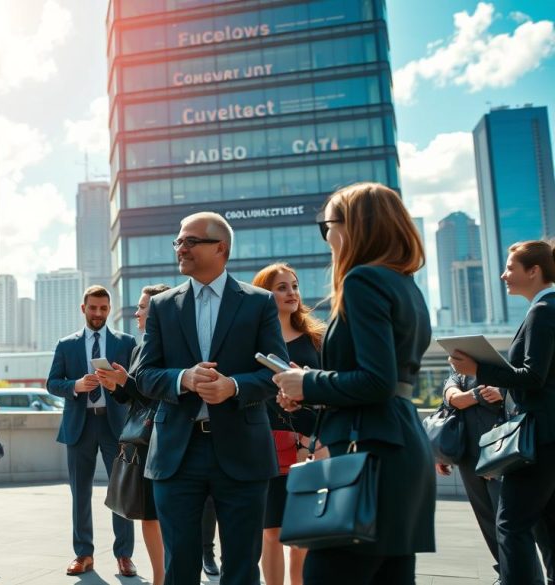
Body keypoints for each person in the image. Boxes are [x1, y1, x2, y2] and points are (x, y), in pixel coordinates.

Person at [274, 182, 434, 585]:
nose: (326, 235)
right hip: (399, 447)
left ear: (353, 226)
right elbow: (384, 381)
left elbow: (376, 380)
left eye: (326, 225)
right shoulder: (405, 284)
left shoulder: (363, 280)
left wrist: (307, 382)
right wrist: (308, 393)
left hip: (370, 455)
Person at [136, 211, 287, 585]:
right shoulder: (162, 306)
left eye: (190, 241)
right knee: (179, 568)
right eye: (178, 241)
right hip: (177, 454)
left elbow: (276, 373)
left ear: (221, 247)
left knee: (241, 569)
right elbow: (144, 375)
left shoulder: (259, 303)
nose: (180, 248)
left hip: (243, 451)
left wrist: (232, 386)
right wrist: (183, 378)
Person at [450, 239, 555, 585]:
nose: (503, 275)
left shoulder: (543, 311)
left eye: (510, 268)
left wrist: (478, 369)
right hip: (548, 437)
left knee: (510, 525)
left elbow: (534, 377)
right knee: (547, 526)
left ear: (534, 271)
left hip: (538, 440)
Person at [46, 285, 138, 577]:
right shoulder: (66, 344)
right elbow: (52, 383)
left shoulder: (126, 342)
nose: (98, 313)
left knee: (122, 492)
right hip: (80, 425)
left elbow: (136, 384)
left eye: (103, 308)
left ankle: (124, 555)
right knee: (80, 492)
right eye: (93, 308)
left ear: (109, 309)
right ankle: (83, 554)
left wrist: (118, 382)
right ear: (83, 308)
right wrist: (75, 385)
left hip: (116, 427)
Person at [251, 263, 324, 585]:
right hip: (264, 444)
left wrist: (315, 441)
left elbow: (330, 390)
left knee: (302, 535)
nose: (292, 293)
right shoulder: (252, 341)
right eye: (282, 287)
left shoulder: (316, 338)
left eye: (294, 286)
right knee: (270, 531)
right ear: (265, 294)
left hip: (310, 445)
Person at [99, 283, 170, 585]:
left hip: (166, 438)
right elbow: (135, 398)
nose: (136, 313)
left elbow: (163, 392)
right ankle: (159, 578)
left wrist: (127, 382)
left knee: (168, 515)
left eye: (142, 307)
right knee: (148, 514)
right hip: (141, 440)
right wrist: (116, 385)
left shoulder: (175, 345)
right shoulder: (139, 348)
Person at [435, 372, 504, 581]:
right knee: (487, 521)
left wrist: (501, 392)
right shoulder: (458, 376)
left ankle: (523, 576)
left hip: (500, 455)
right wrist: (480, 395)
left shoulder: (501, 371)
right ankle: (505, 573)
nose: (452, 361)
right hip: (470, 458)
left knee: (507, 523)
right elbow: (453, 399)